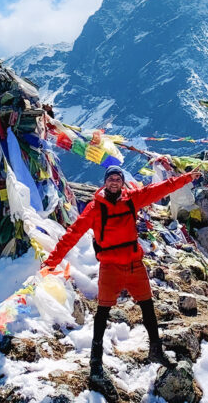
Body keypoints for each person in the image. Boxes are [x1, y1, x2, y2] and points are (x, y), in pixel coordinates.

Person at [43, 165, 199, 400]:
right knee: (103, 312)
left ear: (123, 182)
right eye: (111, 178)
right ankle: (95, 361)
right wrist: (52, 261)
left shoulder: (132, 199)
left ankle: (155, 350)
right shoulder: (95, 209)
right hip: (110, 267)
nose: (115, 182)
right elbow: (73, 233)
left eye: (118, 178)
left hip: (134, 264)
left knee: (147, 306)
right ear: (105, 182)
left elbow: (159, 189)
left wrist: (187, 178)